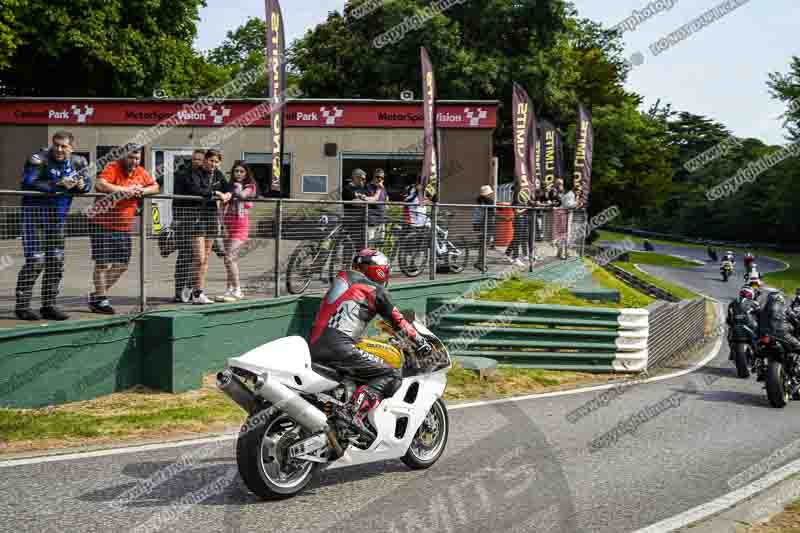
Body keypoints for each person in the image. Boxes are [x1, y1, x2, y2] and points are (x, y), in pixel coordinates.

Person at [309, 249, 432, 432]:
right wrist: (420, 341)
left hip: (313, 346)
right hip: (340, 348)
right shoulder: (375, 290)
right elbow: (398, 320)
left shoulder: (341, 281)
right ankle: (352, 413)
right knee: (391, 374)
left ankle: (340, 407)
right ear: (380, 270)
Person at [15, 130, 91, 321]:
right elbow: (27, 182)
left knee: (56, 262)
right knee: (36, 261)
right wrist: (58, 183)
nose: (58, 149)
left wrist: (82, 185)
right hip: (35, 218)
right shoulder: (38, 158)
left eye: (63, 146)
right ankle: (22, 307)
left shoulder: (79, 162)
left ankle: (49, 305)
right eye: (55, 145)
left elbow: (88, 184)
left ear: (71, 147)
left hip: (58, 220)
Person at [88, 145, 159, 314]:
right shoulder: (113, 167)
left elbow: (155, 187)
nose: (134, 161)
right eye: (131, 158)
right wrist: (125, 190)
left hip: (123, 227)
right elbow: (100, 184)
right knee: (102, 264)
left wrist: (141, 190)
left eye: (137, 158)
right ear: (123, 157)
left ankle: (97, 295)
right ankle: (101, 299)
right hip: (102, 224)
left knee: (121, 265)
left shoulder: (140, 171)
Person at [174, 149, 232, 304]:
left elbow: (229, 188)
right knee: (199, 257)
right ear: (205, 160)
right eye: (211, 161)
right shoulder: (194, 172)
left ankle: (198, 292)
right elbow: (197, 190)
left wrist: (228, 195)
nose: (213, 164)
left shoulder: (218, 174)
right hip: (196, 217)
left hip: (211, 216)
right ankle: (189, 285)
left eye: (216, 161)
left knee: (205, 258)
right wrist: (217, 194)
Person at [215, 161, 257, 302]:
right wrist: (222, 225)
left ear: (246, 173)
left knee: (230, 258)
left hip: (240, 226)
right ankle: (229, 290)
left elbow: (242, 196)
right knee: (228, 260)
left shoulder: (249, 187)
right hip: (228, 225)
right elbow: (222, 205)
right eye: (236, 171)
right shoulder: (229, 186)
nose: (238, 174)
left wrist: (236, 188)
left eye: (241, 171)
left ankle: (238, 289)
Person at [172, 149, 207, 302]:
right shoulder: (183, 174)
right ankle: (179, 292)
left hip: (200, 220)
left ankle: (192, 291)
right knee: (185, 256)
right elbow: (193, 192)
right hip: (185, 219)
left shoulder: (206, 174)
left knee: (197, 258)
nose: (196, 162)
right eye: (194, 159)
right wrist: (176, 218)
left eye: (199, 160)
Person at [726, 286, 761, 359]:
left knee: (730, 333)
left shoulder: (732, 303)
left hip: (736, 329)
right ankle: (757, 353)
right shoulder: (755, 303)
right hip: (750, 327)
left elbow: (729, 318)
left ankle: (732, 352)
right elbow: (761, 315)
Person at [472, 185, 496, 270]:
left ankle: (479, 262)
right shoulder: (489, 201)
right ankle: (481, 263)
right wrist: (504, 218)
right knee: (486, 245)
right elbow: (492, 213)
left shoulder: (478, 200)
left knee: (481, 244)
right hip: (486, 224)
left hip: (477, 224)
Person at [366, 169, 388, 246]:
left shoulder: (383, 188)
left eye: (382, 177)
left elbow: (385, 200)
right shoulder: (369, 186)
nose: (380, 179)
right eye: (378, 177)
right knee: (370, 243)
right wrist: (379, 189)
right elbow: (373, 200)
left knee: (379, 243)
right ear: (373, 177)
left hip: (381, 218)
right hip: (372, 219)